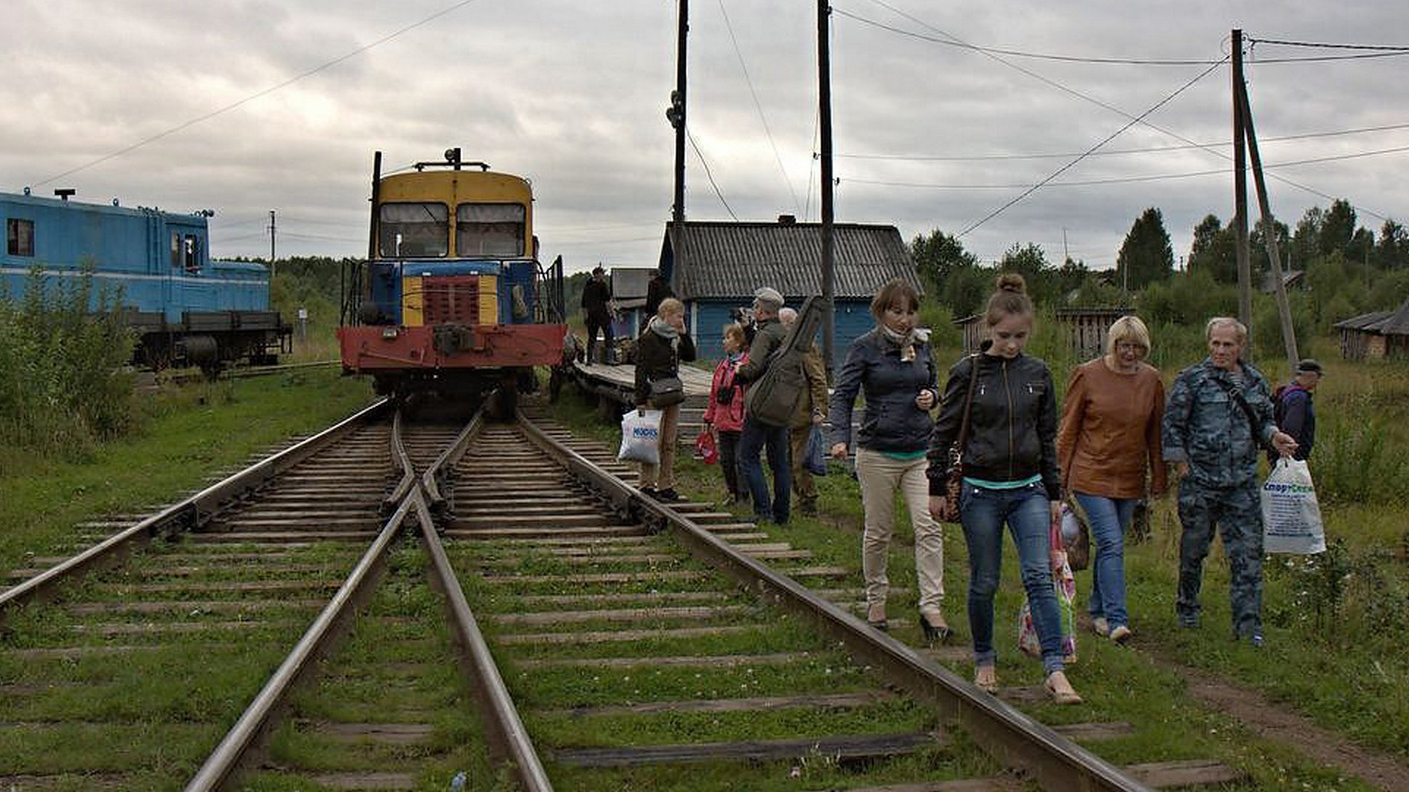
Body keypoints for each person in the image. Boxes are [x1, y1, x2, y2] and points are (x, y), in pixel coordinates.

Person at [926, 274, 1081, 705]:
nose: (1012, 344)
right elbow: (944, 432)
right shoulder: (968, 372)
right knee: (986, 579)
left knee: (1037, 575)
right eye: (1003, 336)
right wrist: (936, 486)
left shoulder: (1038, 374)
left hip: (1029, 488)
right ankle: (984, 657)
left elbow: (1047, 436)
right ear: (986, 331)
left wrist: (1054, 493)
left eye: (1020, 336)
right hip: (981, 490)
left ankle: (1054, 666)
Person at [1163, 317, 1297, 647]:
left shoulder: (1254, 381)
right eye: (1215, 344)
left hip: (1242, 484)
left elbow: (1263, 422)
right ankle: (1188, 608)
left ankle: (1248, 625)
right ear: (1208, 343)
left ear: (1240, 347)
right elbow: (1172, 425)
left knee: (1248, 555)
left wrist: (1274, 436)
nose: (1221, 350)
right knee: (1194, 551)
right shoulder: (1192, 380)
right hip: (1201, 482)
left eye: (1228, 345)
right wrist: (1181, 466)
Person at [829, 279, 950, 642]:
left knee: (929, 527)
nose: (905, 319)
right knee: (879, 531)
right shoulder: (864, 348)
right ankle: (876, 597)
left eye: (911, 311)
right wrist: (839, 438)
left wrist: (931, 395)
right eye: (897, 311)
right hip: (877, 452)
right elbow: (843, 396)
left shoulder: (923, 346)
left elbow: (934, 386)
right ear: (881, 312)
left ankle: (932, 605)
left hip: (919, 450)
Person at [1057, 315, 1167, 646]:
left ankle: (1097, 609)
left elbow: (1155, 433)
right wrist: (1057, 478)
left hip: (1130, 475)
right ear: (1113, 344)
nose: (1129, 353)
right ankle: (1118, 619)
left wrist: (1159, 476)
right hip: (1091, 473)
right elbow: (1069, 428)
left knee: (1111, 546)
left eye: (1136, 347)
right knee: (1112, 542)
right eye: (1123, 346)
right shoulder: (1088, 375)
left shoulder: (1152, 381)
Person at [734, 286, 792, 525]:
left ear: (763, 311)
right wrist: (749, 329)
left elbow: (754, 366)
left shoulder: (766, 334)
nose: (754, 310)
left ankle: (763, 511)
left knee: (748, 457)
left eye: (756, 307)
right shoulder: (787, 333)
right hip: (782, 403)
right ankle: (782, 515)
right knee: (779, 462)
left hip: (762, 403)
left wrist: (739, 372)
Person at [634, 297, 696, 501]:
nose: (681, 320)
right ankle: (647, 484)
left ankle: (665, 484)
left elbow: (691, 356)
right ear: (667, 315)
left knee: (669, 442)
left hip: (673, 394)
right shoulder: (649, 337)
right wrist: (640, 399)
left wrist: (685, 336)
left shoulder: (675, 337)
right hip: (654, 394)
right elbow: (641, 369)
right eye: (679, 316)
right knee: (651, 441)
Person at [779, 307, 828, 516]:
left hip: (803, 412)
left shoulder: (805, 348)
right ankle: (800, 498)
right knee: (790, 461)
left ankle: (808, 500)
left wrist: (819, 408)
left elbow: (818, 378)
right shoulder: (788, 346)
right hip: (787, 413)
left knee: (799, 462)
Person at [703, 322, 750, 504]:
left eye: (728, 338)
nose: (724, 342)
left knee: (741, 460)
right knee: (726, 461)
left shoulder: (746, 364)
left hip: (740, 420)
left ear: (738, 342)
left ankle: (744, 494)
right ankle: (732, 492)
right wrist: (709, 416)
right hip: (722, 420)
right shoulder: (722, 365)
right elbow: (714, 393)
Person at [1271, 358, 1322, 463]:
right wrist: (1290, 454)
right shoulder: (1298, 398)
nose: (1318, 381)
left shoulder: (1288, 391)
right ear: (1311, 376)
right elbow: (1291, 428)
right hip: (1291, 456)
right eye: (1318, 377)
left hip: (1283, 453)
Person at [581, 265, 614, 364]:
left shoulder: (587, 287)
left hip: (591, 316)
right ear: (598, 274)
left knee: (592, 337)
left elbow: (583, 305)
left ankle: (589, 360)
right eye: (602, 273)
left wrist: (585, 317)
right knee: (609, 336)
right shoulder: (602, 285)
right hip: (602, 314)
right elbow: (607, 301)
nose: (603, 275)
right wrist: (612, 313)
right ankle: (609, 359)